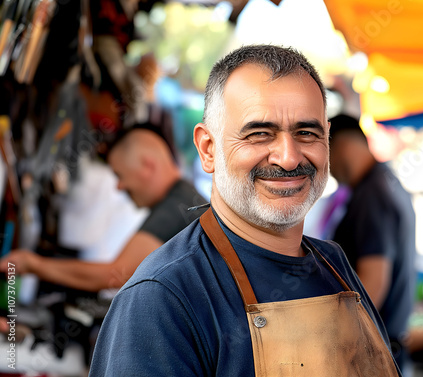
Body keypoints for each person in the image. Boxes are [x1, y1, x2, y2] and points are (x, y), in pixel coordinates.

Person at [89, 44, 402, 376]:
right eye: (259, 134)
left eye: (306, 133)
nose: (288, 157)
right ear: (208, 150)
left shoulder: (334, 264)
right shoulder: (162, 299)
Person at [0, 127, 207, 291]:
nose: (119, 187)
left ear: (147, 166)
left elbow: (116, 275)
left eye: (119, 175)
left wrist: (33, 265)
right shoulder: (186, 199)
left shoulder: (176, 209)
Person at [326, 113, 416, 375]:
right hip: (390, 349)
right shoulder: (386, 180)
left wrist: (332, 344)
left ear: (340, 147)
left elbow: (373, 283)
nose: (325, 166)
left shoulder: (372, 195)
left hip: (373, 357)